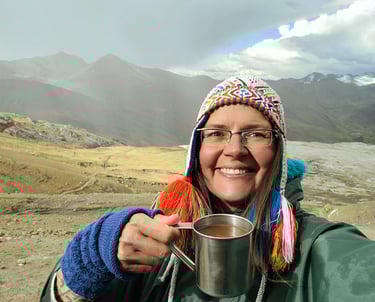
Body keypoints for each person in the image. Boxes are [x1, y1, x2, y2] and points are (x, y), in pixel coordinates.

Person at [40, 76, 375, 302]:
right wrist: (91, 259)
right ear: (196, 151)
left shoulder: (317, 249)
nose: (234, 149)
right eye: (215, 133)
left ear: (279, 155)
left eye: (256, 134)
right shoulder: (155, 242)